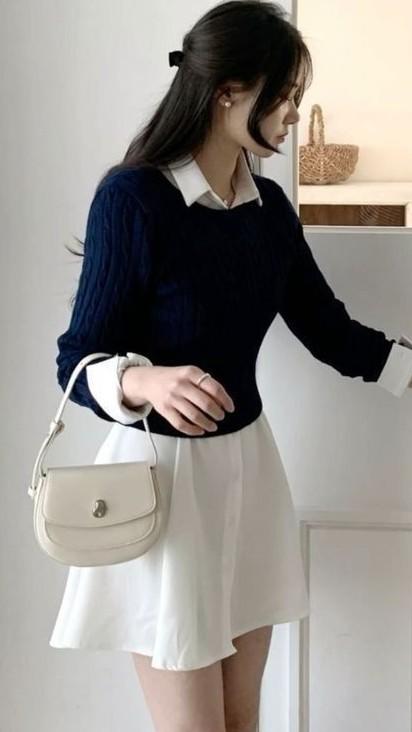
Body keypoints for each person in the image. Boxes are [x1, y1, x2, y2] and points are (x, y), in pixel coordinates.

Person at [48, 2, 412, 731]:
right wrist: (144, 379)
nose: (293, 113)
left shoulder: (268, 209)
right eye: (285, 95)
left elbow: (331, 332)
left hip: (251, 476)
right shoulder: (134, 199)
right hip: (163, 488)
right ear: (228, 92)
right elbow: (74, 358)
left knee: (242, 724)